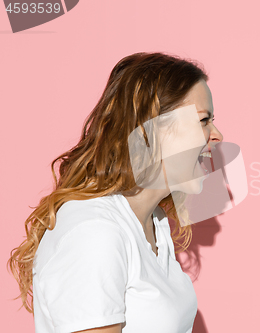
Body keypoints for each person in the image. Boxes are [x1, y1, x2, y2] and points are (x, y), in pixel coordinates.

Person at [8, 52, 223, 333]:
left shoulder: (154, 222)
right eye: (203, 120)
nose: (217, 134)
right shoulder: (95, 230)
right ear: (153, 130)